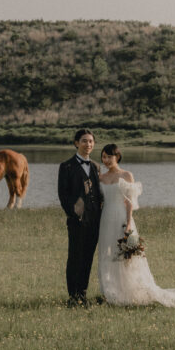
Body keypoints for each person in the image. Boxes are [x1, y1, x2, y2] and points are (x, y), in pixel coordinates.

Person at [96, 143, 175, 307]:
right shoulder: (101, 178)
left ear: (117, 157)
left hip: (121, 218)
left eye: (109, 157)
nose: (106, 160)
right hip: (105, 219)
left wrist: (128, 224)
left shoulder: (126, 175)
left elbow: (130, 203)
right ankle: (110, 291)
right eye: (104, 157)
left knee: (125, 256)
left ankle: (128, 291)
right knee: (107, 253)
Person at [57, 129, 104, 307]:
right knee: (75, 257)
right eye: (84, 141)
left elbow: (98, 195)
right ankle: (72, 296)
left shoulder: (96, 166)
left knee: (87, 258)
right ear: (76, 143)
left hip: (94, 222)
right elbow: (63, 195)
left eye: (91, 141)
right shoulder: (66, 166)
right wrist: (73, 215)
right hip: (76, 222)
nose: (88, 144)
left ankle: (83, 295)